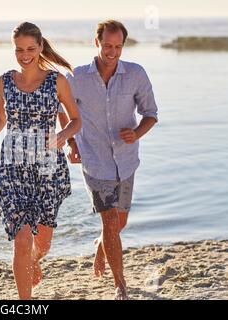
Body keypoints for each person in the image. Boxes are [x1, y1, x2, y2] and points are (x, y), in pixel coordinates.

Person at [0, 22, 81, 300]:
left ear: (40, 47)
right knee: (22, 238)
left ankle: (35, 260)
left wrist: (64, 136)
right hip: (11, 166)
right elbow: (0, 119)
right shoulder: (5, 81)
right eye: (19, 49)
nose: (24, 54)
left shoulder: (57, 81)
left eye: (30, 48)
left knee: (43, 242)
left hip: (47, 168)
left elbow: (76, 120)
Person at [59, 20, 158, 300]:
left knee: (119, 223)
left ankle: (102, 247)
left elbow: (151, 114)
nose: (112, 52)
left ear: (122, 46)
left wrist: (136, 132)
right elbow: (63, 110)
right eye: (107, 45)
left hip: (126, 161)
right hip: (95, 160)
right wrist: (71, 142)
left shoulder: (136, 74)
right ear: (97, 43)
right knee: (111, 222)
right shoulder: (76, 77)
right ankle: (120, 285)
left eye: (118, 46)